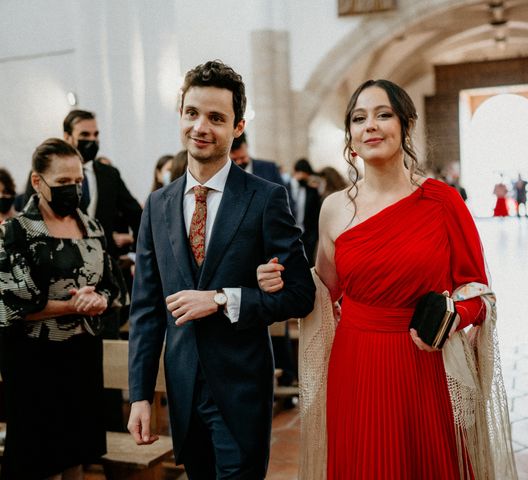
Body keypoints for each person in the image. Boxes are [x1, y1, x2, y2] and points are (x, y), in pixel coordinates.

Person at [257, 79, 516, 479]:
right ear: (350, 135)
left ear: (406, 125)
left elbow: (481, 294)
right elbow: (323, 292)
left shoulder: (443, 201)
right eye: (359, 118)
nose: (370, 126)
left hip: (423, 360)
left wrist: (452, 315)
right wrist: (276, 279)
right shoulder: (333, 209)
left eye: (383, 114)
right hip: (355, 363)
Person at [126, 60, 315, 480]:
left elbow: (301, 293)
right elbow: (145, 311)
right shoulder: (157, 205)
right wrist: (139, 395)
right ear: (180, 116)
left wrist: (221, 299)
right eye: (192, 113)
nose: (200, 126)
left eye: (216, 117)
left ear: (238, 125)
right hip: (183, 386)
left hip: (240, 386)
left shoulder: (265, 199)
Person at [0, 138, 125, 480]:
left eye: (78, 181)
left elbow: (114, 287)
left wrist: (99, 299)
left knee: (76, 454)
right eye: (63, 183)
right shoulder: (15, 232)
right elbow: (11, 304)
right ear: (38, 181)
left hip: (81, 355)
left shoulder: (93, 228)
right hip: (33, 358)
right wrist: (73, 305)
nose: (73, 189)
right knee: (40, 460)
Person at [61, 109, 143, 258]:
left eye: (96, 135)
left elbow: (137, 215)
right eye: (85, 135)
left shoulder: (110, 174)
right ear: (67, 137)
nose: (92, 140)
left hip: (105, 261)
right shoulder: (54, 173)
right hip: (66, 261)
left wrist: (135, 253)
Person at [291, 158, 321, 263]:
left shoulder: (313, 191)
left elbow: (316, 213)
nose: (300, 177)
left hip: (308, 234)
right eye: (298, 173)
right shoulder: (289, 189)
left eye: (303, 174)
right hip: (293, 233)